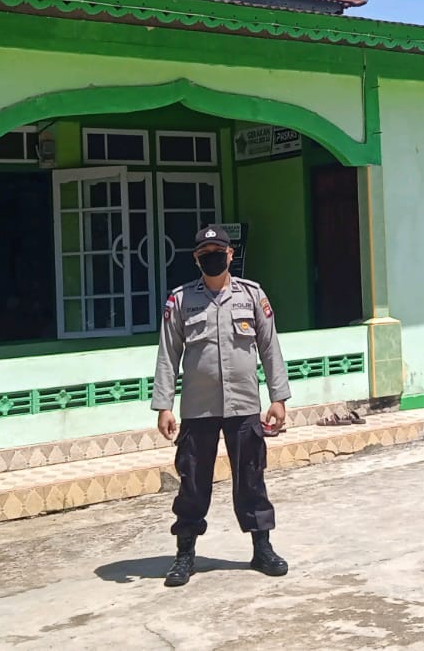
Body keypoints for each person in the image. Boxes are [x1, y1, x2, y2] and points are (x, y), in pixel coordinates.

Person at [152, 224, 291, 587]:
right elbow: (168, 354)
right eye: (205, 254)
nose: (212, 258)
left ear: (230, 254)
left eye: (218, 252)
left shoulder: (252, 295)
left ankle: (262, 548)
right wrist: (164, 405)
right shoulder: (181, 300)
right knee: (193, 482)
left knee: (252, 478)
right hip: (198, 409)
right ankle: (184, 554)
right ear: (196, 259)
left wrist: (278, 399)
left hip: (244, 405)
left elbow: (270, 348)